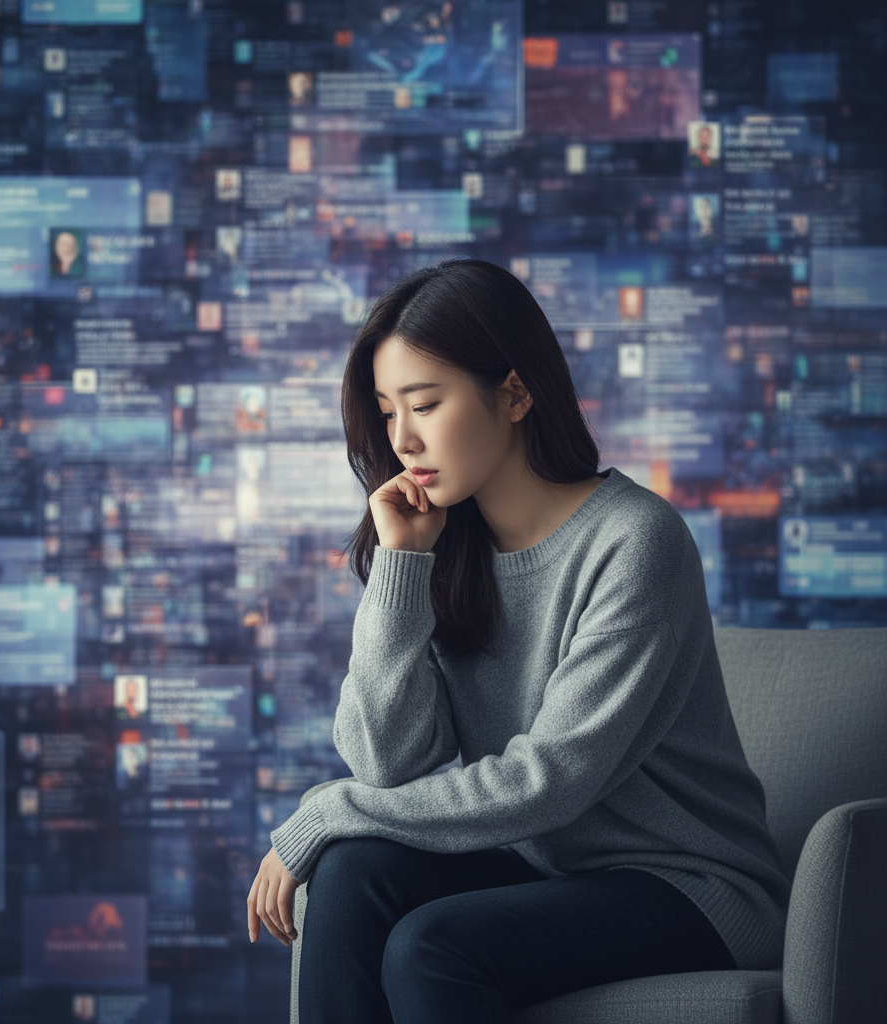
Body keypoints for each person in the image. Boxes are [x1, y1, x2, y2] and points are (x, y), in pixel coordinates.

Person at [245, 258, 790, 1023]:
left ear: (514, 393)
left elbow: (552, 780)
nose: (402, 439)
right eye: (386, 410)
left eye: (425, 404)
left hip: (689, 888)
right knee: (352, 872)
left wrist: (328, 810)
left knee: (430, 942)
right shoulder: (442, 547)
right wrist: (402, 565)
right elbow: (390, 763)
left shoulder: (635, 541)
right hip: (547, 869)